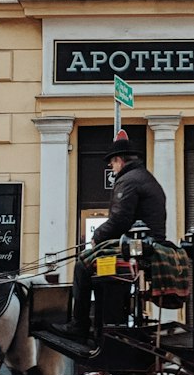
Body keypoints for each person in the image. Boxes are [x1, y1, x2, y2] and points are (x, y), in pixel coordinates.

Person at [65, 131, 167, 339]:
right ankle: (100, 323)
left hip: (135, 247)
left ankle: (80, 327)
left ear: (120, 160)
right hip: (147, 244)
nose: (111, 167)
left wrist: (97, 237)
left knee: (82, 265)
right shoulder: (145, 177)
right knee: (94, 268)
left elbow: (120, 219)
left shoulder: (128, 180)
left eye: (112, 162)